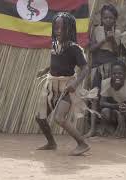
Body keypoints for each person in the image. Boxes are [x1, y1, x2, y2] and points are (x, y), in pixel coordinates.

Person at [35, 12, 95, 156]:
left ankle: (83, 143)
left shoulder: (74, 48)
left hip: (67, 87)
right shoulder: (55, 45)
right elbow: (59, 63)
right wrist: (46, 69)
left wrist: (75, 84)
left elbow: (85, 68)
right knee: (40, 117)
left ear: (70, 29)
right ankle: (51, 143)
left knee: (59, 118)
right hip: (52, 86)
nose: (59, 31)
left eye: (62, 28)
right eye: (56, 27)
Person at [85, 4, 121, 138]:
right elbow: (92, 48)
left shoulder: (117, 32)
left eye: (111, 18)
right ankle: (93, 128)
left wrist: (112, 41)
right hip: (97, 67)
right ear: (101, 18)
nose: (108, 20)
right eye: (105, 17)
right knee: (94, 97)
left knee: (108, 97)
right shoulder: (97, 30)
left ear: (115, 19)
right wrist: (104, 40)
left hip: (110, 67)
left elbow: (117, 53)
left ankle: (108, 127)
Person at [99, 60, 126, 137]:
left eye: (120, 73)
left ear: (125, 74)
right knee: (105, 111)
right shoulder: (106, 83)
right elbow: (102, 103)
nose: (117, 76)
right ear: (110, 74)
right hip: (115, 112)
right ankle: (112, 127)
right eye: (114, 74)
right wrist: (115, 106)